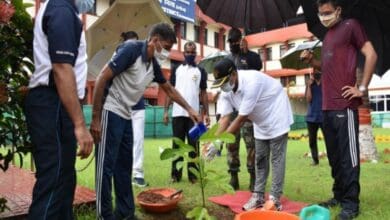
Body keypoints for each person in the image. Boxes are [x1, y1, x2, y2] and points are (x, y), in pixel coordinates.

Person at [90, 23, 200, 220]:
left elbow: (169, 90)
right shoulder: (130, 50)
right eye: (166, 47)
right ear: (154, 40)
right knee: (105, 166)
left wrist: (190, 109)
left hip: (126, 115)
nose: (167, 53)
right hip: (110, 110)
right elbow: (101, 78)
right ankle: (104, 216)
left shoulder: (153, 64)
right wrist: (96, 119)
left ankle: (125, 213)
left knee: (124, 165)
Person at [300, 0, 377, 219]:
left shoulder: (352, 26)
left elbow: (371, 54)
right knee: (334, 157)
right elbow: (327, 68)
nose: (323, 17)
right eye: (320, 13)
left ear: (338, 11)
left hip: (345, 105)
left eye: (327, 13)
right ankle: (339, 195)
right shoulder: (327, 37)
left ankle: (351, 204)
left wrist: (361, 88)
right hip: (326, 106)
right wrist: (313, 60)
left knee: (348, 157)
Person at [24, 0, 94, 219]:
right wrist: (80, 125)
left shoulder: (59, 8)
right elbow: (62, 68)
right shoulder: (62, 9)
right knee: (54, 181)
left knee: (64, 178)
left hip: (55, 102)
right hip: (53, 101)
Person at [212, 58, 293, 211]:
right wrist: (215, 141)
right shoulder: (226, 92)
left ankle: (275, 198)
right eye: (220, 84)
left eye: (224, 82)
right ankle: (258, 196)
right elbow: (224, 118)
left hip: (277, 113)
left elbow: (240, 119)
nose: (223, 87)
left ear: (234, 74)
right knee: (260, 158)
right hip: (260, 119)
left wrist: (220, 143)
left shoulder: (252, 82)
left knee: (276, 159)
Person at [163, 41, 209, 183]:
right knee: (177, 145)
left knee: (193, 145)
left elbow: (203, 93)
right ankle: (175, 175)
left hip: (193, 116)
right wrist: (166, 111)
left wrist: (206, 113)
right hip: (177, 113)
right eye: (188, 52)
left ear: (196, 54)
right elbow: (170, 91)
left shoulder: (200, 71)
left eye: (193, 52)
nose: (190, 54)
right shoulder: (176, 69)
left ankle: (193, 176)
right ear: (184, 53)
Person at [225, 27, 262, 191]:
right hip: (232, 111)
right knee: (231, 145)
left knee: (251, 146)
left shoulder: (251, 57)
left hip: (248, 111)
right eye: (230, 41)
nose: (232, 44)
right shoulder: (227, 59)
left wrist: (247, 54)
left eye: (235, 41)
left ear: (240, 40)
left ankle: (253, 179)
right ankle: (233, 177)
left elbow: (258, 68)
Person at [118, 31, 148, 187]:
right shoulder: (118, 57)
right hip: (121, 106)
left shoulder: (144, 60)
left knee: (138, 140)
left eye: (137, 43)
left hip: (138, 107)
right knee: (122, 141)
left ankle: (137, 173)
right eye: (130, 43)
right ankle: (122, 174)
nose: (134, 46)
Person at [305, 72, 323, 166]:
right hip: (311, 117)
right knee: (312, 141)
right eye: (315, 70)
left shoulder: (326, 83)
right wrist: (309, 86)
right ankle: (315, 160)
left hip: (324, 116)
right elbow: (308, 99)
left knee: (329, 139)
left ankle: (333, 158)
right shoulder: (310, 85)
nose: (316, 72)